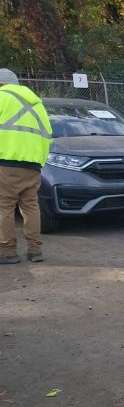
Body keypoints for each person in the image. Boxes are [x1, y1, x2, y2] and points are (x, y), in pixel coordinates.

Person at [0, 68, 53, 264]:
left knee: (4, 207)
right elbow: (47, 135)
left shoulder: (1, 98)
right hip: (33, 165)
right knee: (30, 207)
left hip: (5, 162)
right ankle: (35, 250)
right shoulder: (37, 104)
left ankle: (7, 252)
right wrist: (40, 161)